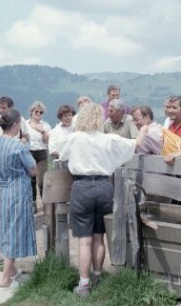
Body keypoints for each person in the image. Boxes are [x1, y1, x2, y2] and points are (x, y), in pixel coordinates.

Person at [59, 103, 148, 297]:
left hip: (81, 187)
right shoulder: (109, 139)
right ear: (100, 118)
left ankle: (84, 285)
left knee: (84, 241)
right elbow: (136, 143)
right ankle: (98, 276)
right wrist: (145, 128)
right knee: (99, 236)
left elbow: (60, 154)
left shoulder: (74, 138)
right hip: (104, 186)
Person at [0, 108, 37, 289]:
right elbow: (32, 169)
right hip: (16, 191)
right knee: (15, 231)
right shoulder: (18, 146)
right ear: (16, 124)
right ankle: (5, 278)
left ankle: (11, 270)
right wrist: (24, 145)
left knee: (4, 228)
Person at [26, 101, 51, 207]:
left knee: (41, 181)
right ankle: (33, 204)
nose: (38, 114)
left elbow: (48, 141)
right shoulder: (25, 124)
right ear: (31, 112)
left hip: (41, 153)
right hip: (29, 152)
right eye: (36, 111)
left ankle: (46, 205)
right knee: (30, 181)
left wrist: (42, 131)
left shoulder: (46, 125)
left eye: (41, 112)